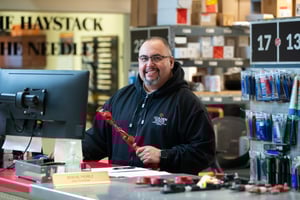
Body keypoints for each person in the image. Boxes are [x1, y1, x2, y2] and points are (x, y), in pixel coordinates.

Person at [82, 36, 216, 175]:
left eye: (156, 58)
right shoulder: (121, 98)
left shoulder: (187, 103)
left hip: (165, 191)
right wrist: (68, 153)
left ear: (170, 62)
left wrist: (163, 156)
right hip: (120, 188)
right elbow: (96, 140)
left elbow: (204, 153)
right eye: (144, 59)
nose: (149, 64)